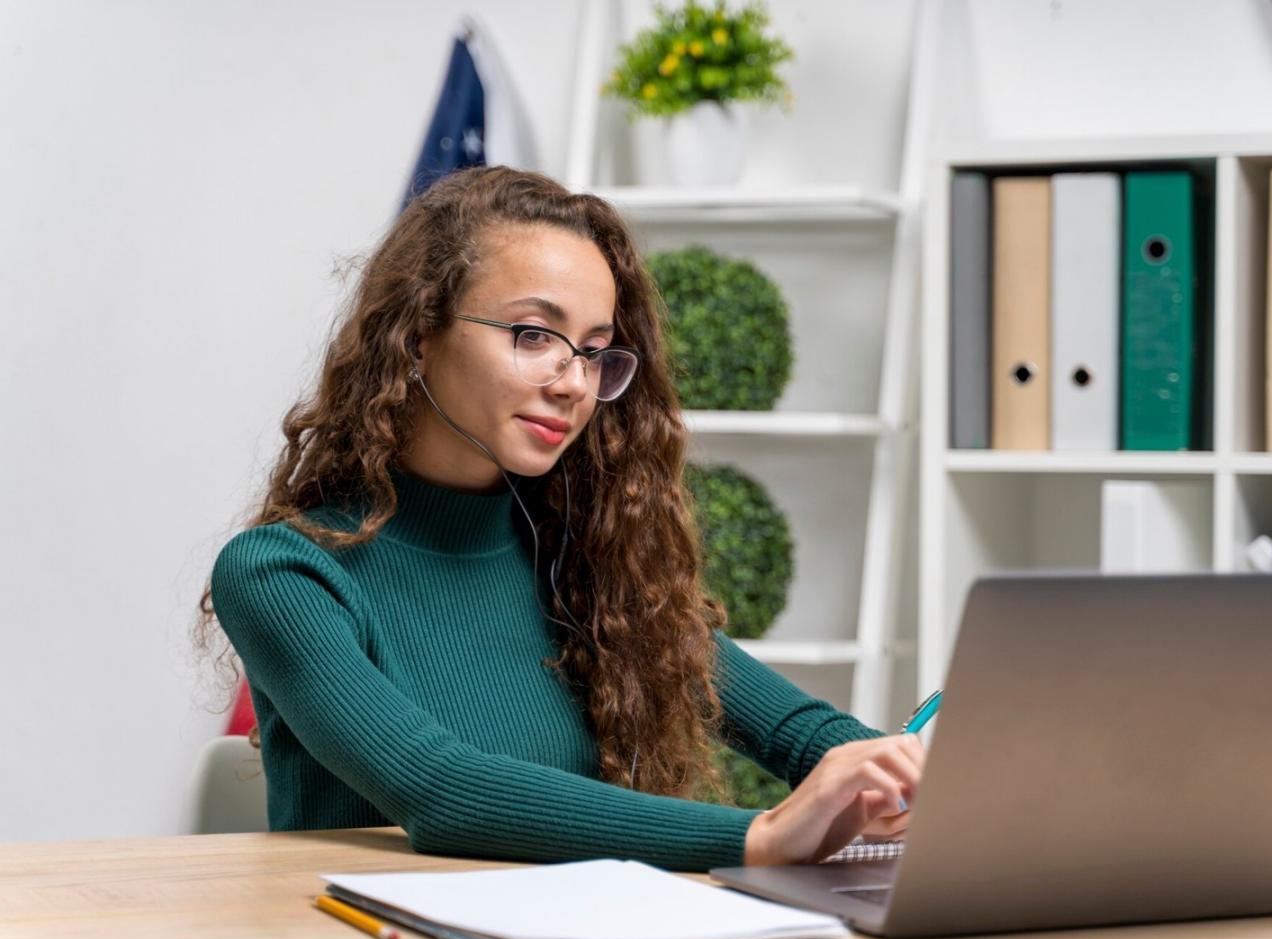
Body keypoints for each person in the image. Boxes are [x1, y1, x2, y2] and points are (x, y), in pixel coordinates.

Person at [198, 165, 922, 872]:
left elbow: (805, 737)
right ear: (418, 334)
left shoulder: (584, 563)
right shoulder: (283, 574)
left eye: (597, 351)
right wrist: (759, 837)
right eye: (534, 335)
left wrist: (909, 775)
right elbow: (442, 791)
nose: (574, 382)